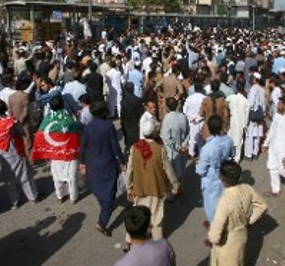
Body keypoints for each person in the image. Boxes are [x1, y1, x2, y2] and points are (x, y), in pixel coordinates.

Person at [125, 118, 180, 244]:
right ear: (154, 133)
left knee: (137, 215)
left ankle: (130, 239)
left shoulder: (134, 148)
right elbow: (168, 169)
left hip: (139, 188)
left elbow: (129, 170)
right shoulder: (159, 149)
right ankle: (157, 241)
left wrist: (129, 187)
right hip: (156, 188)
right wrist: (175, 184)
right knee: (156, 218)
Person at [207, 160, 268, 266]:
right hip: (241, 236)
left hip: (227, 244)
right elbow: (262, 205)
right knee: (239, 260)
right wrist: (250, 220)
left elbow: (214, 236)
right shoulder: (247, 188)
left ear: (221, 178)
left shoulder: (224, 202)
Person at [80, 101, 126, 236]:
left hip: (93, 164)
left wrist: (83, 162)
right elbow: (115, 147)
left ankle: (103, 206)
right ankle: (102, 222)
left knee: (98, 188)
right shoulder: (108, 126)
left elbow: (83, 147)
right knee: (110, 194)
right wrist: (122, 161)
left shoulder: (88, 127)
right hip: (107, 164)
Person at [0, 100, 38, 210]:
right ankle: (32, 197)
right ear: (5, 108)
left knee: (9, 178)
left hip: (3, 154)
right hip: (15, 151)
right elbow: (22, 132)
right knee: (24, 175)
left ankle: (14, 201)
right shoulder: (12, 122)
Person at [31, 95, 80, 204]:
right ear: (63, 105)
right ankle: (73, 197)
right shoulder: (69, 119)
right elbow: (76, 134)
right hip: (68, 152)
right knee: (72, 177)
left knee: (57, 177)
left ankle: (60, 196)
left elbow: (40, 135)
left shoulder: (47, 120)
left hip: (55, 153)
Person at [196, 115, 234, 222]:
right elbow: (232, 154)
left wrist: (197, 164)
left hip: (211, 180)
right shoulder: (228, 140)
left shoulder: (207, 148)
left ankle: (217, 231)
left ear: (209, 129)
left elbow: (201, 170)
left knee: (212, 208)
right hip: (225, 176)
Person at [160, 97, 189, 188]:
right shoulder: (183, 116)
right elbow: (188, 133)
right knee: (181, 169)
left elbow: (165, 137)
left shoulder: (167, 119)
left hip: (172, 151)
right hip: (182, 149)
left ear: (167, 107)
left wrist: (176, 147)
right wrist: (183, 145)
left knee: (172, 173)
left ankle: (174, 193)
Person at [244, 72, 267, 160]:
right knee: (257, 135)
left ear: (255, 80)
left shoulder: (254, 88)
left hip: (253, 114)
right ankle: (255, 152)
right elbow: (264, 104)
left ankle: (248, 154)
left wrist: (247, 113)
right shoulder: (262, 89)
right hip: (260, 115)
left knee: (250, 135)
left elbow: (250, 103)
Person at [226, 82, 250, 163]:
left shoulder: (231, 97)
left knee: (230, 139)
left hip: (231, 122)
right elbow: (246, 116)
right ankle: (237, 158)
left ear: (236, 89)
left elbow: (225, 102)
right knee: (239, 141)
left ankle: (229, 156)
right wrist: (245, 125)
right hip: (240, 123)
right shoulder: (246, 102)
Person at [183, 80, 206, 158]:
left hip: (191, 121)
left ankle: (191, 154)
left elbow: (185, 110)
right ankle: (201, 154)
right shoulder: (205, 98)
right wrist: (198, 118)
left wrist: (191, 118)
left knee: (192, 138)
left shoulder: (189, 98)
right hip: (201, 121)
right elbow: (205, 111)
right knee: (201, 139)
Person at [120, 82, 144, 154]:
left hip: (127, 122)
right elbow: (141, 112)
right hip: (136, 121)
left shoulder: (123, 101)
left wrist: (122, 122)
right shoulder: (138, 100)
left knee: (128, 137)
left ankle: (128, 149)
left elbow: (122, 114)